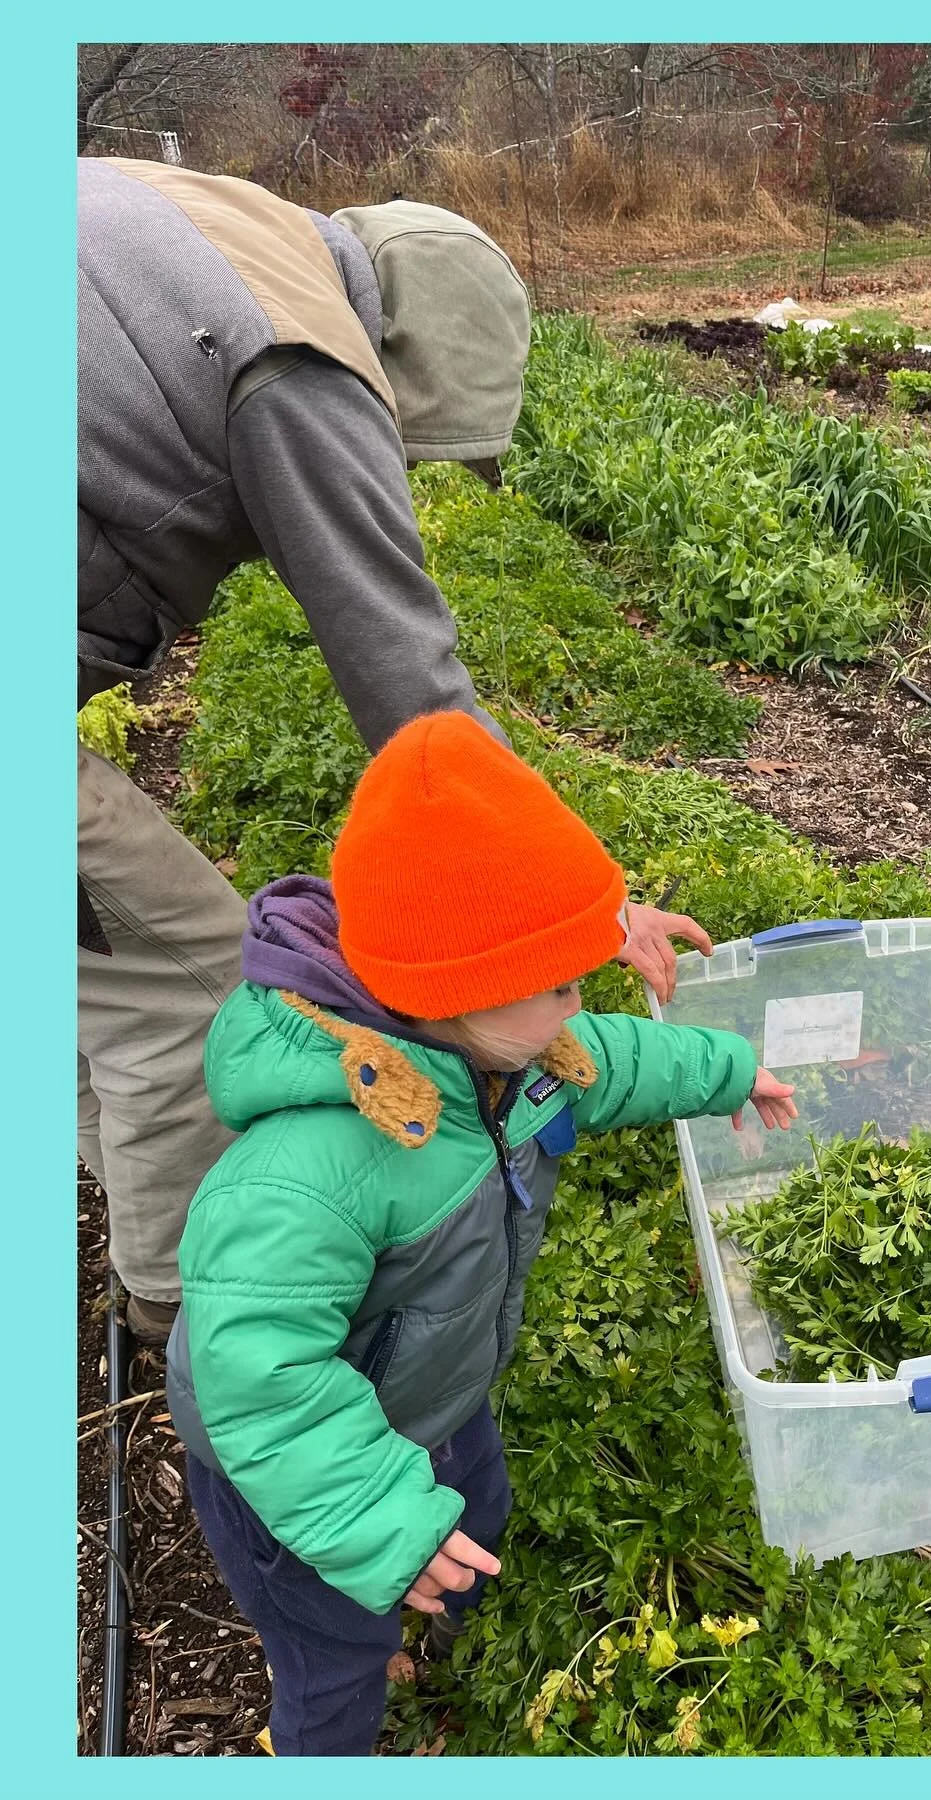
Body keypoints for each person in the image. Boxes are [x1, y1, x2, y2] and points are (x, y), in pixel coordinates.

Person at [78, 158, 708, 1343]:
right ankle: (200, 1321)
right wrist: (590, 906)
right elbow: (413, 694)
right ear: (408, 366)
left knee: (89, 956)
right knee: (206, 989)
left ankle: (136, 1193)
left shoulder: (225, 220)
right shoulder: (301, 363)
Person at [164, 711, 796, 1756]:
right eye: (558, 983)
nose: (579, 1001)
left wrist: (726, 1070)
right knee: (335, 1663)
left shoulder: (513, 1050)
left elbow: (611, 1055)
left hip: (433, 1390)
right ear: (449, 993)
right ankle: (346, 1706)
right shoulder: (306, 1172)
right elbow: (258, 1374)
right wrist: (377, 1522)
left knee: (479, 1504)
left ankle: (441, 1610)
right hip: (292, 1468)